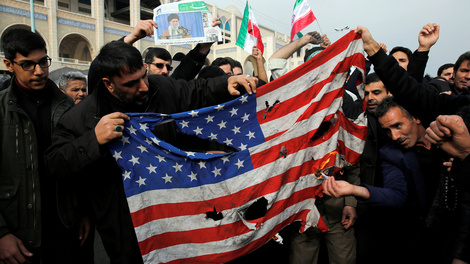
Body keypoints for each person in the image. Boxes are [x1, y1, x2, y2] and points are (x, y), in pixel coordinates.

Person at [44, 40, 257, 263]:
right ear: (109, 84)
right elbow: (54, 164)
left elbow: (194, 90)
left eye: (143, 75)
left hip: (177, 214)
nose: (144, 86)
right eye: (132, 83)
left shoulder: (159, 87)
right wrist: (93, 140)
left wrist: (226, 82)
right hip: (127, 229)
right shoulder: (82, 117)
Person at [0, 28, 90, 263]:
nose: (39, 71)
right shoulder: (2, 109)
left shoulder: (69, 107)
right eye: (28, 64)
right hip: (17, 234)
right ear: (9, 65)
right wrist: (1, 234)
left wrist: (83, 213)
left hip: (63, 227)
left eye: (43, 62)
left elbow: (80, 166)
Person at [324, 97, 449, 263]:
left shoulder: (448, 137)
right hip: (422, 236)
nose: (395, 136)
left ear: (416, 118)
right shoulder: (392, 154)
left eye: (398, 126)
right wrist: (354, 190)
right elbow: (396, 194)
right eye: (388, 131)